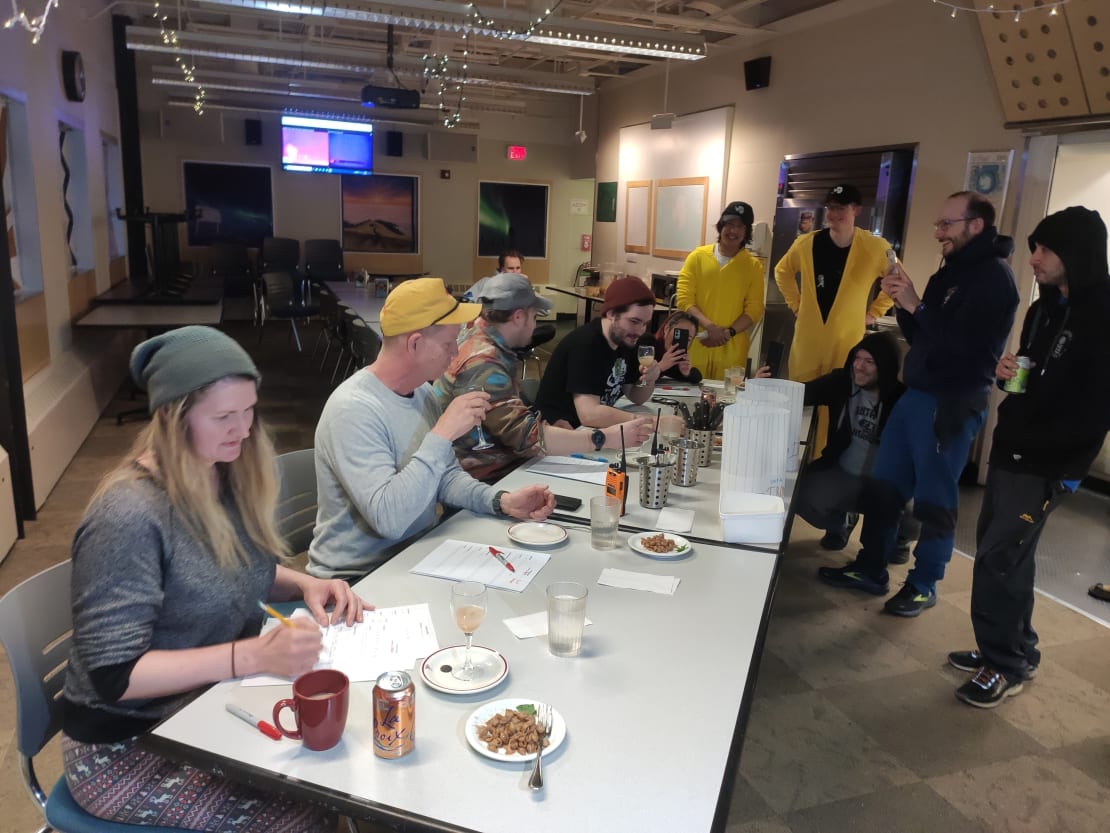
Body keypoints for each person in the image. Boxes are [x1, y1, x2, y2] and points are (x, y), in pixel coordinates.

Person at [61, 326, 365, 832]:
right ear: (172, 418)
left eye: (249, 412)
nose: (243, 430)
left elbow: (237, 571)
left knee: (327, 768)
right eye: (224, 416)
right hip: (124, 747)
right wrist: (251, 656)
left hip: (202, 708)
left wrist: (305, 584)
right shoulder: (129, 515)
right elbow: (115, 677)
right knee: (299, 809)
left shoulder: (219, 472)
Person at [819, 191, 1019, 617]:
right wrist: (903, 300)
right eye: (938, 224)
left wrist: (916, 304)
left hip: (951, 403)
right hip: (916, 396)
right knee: (884, 485)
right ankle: (871, 567)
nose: (938, 232)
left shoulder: (994, 280)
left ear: (975, 225)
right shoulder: (951, 272)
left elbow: (969, 350)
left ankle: (924, 582)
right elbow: (925, 333)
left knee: (934, 499)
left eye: (947, 224)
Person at [950, 206, 1110, 707]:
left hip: (1049, 463)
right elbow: (1028, 373)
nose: (1033, 259)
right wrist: (1006, 372)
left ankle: (1006, 664)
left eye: (1043, 249)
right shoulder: (1046, 308)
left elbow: (1096, 406)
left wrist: (1064, 464)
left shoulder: (1102, 314)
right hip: (1012, 449)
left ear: (1074, 253)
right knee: (1006, 557)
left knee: (1000, 559)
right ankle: (1014, 648)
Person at [309, 278, 555, 579]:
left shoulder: (421, 393)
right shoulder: (353, 410)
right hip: (356, 579)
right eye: (449, 342)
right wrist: (442, 434)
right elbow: (390, 519)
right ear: (414, 343)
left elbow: (445, 478)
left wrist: (501, 501)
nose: (456, 352)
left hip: (413, 556)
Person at [433, 272, 653, 480]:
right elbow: (527, 437)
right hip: (485, 477)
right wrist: (605, 437)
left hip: (496, 466)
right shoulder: (483, 363)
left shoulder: (483, 341)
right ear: (518, 317)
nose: (535, 325)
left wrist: (557, 432)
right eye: (534, 316)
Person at [774, 184, 895, 453]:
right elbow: (782, 271)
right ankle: (795, 459)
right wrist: (796, 304)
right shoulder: (806, 243)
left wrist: (875, 312)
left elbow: (896, 280)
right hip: (807, 342)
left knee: (840, 404)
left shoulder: (876, 247)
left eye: (841, 207)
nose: (834, 213)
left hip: (846, 343)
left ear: (856, 210)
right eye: (831, 207)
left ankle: (830, 464)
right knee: (800, 401)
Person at [533, 276, 666, 429]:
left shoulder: (625, 341)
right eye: (634, 321)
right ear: (611, 313)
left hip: (588, 430)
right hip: (558, 432)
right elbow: (589, 414)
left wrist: (649, 380)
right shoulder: (585, 344)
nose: (640, 331)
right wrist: (651, 422)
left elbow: (637, 397)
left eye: (645, 324)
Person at [676, 201, 766, 380]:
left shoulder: (753, 266)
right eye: (729, 224)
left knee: (728, 399)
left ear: (747, 232)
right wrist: (710, 326)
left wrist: (727, 333)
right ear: (721, 226)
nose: (733, 231)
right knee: (690, 393)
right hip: (697, 341)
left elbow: (754, 309)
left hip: (731, 347)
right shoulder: (698, 257)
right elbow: (684, 299)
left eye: (740, 226)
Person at [640, 310, 704, 385]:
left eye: (688, 339)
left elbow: (697, 376)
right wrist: (661, 366)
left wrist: (686, 372)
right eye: (678, 334)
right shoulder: (648, 342)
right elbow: (637, 376)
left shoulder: (674, 359)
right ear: (666, 328)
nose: (680, 341)